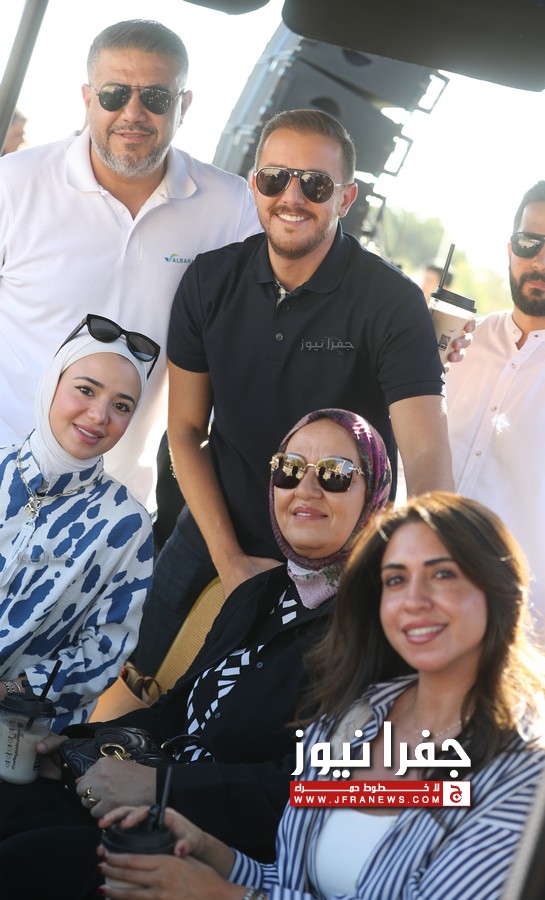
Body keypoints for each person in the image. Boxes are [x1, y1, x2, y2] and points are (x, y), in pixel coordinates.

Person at [0, 408, 392, 894]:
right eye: (290, 468)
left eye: (335, 474)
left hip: (211, 853)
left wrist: (160, 789)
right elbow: (175, 712)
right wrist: (74, 750)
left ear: (375, 496)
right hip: (144, 806)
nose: (306, 489)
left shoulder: (374, 630)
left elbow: (314, 792)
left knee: (28, 861)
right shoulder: (261, 591)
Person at [134, 107, 465, 676]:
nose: (292, 196)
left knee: (270, 726)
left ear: (346, 198)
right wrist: (230, 560)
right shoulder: (209, 280)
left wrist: (431, 567)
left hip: (333, 572)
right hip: (211, 536)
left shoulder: (392, 302)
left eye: (315, 184)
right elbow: (186, 431)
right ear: (254, 184)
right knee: (140, 686)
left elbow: (426, 452)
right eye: (274, 178)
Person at [97, 492, 545, 900]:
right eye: (396, 579)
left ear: (500, 593)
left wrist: (221, 894)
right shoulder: (362, 714)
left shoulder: (524, 772)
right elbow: (299, 879)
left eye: (443, 575)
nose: (414, 600)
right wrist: (215, 855)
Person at [0, 19, 259, 509]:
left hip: (115, 512)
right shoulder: (13, 183)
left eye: (156, 97)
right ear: (87, 98)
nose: (133, 113)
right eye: (115, 93)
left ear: (184, 105)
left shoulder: (230, 205)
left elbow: (271, 320)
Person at [444, 180, 545, 667]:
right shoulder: (461, 343)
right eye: (530, 243)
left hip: (512, 643)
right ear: (510, 250)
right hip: (409, 608)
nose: (543, 262)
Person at [0, 315, 155, 730]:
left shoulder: (126, 525)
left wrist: (9, 690)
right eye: (86, 390)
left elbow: (104, 651)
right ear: (52, 383)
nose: (99, 415)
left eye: (121, 406)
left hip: (16, 734)